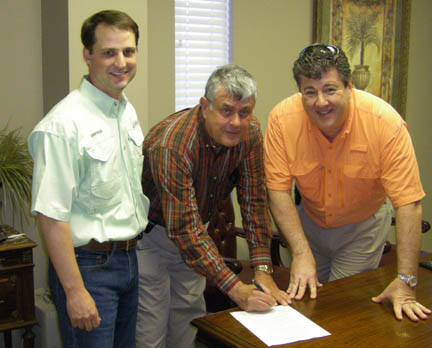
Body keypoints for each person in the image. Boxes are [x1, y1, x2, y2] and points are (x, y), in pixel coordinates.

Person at [264, 43, 431, 322]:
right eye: (310, 92)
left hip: (361, 228)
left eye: (330, 89)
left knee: (340, 308)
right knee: (305, 303)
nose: (320, 102)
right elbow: (277, 191)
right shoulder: (282, 120)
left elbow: (408, 204)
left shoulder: (384, 123)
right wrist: (300, 252)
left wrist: (406, 280)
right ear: (300, 92)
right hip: (310, 223)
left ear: (349, 86)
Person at [137, 64, 291, 348]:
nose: (235, 122)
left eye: (244, 112)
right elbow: (184, 228)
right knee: (150, 335)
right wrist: (237, 290)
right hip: (153, 240)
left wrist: (262, 270)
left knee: (188, 325)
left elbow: (254, 202)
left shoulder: (250, 134)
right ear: (205, 106)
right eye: (226, 110)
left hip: (199, 236)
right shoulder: (172, 145)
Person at [28, 10, 149, 348]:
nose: (121, 62)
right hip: (89, 270)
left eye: (128, 51)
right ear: (87, 55)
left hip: (128, 261)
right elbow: (52, 217)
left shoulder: (125, 111)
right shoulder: (63, 125)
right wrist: (75, 291)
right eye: (109, 52)